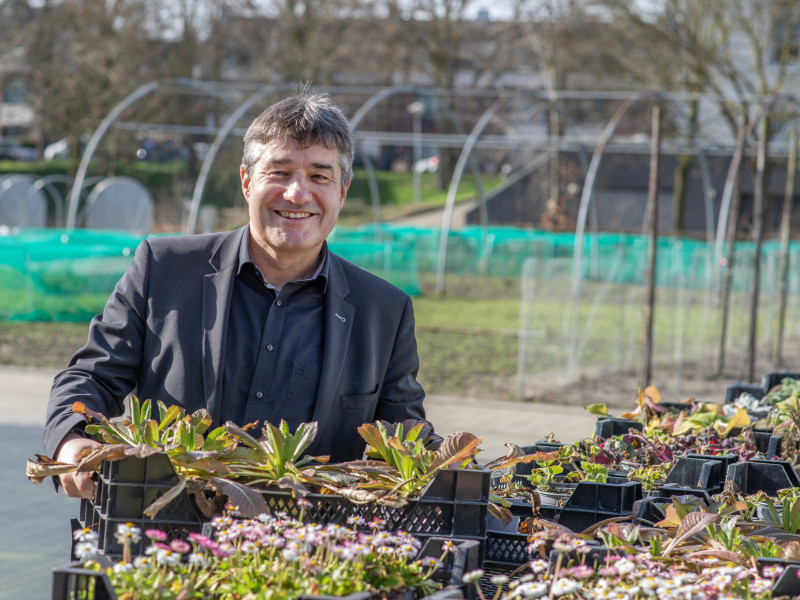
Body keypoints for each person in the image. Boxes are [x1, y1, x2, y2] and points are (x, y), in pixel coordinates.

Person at [44, 90, 430, 499]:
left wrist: (466, 471)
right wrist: (73, 442)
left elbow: (405, 439)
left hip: (308, 550)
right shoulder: (164, 269)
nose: (298, 194)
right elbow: (91, 376)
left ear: (343, 191)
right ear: (247, 182)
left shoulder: (384, 312)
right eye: (279, 172)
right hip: (167, 534)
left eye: (319, 176)